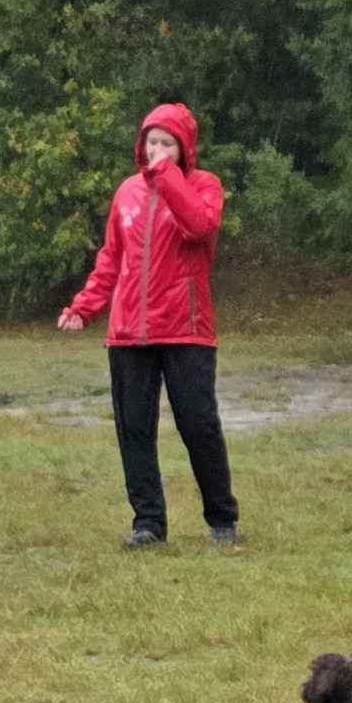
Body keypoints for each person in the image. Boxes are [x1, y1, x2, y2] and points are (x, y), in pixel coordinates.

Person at [58, 102, 237, 549]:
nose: (156, 150)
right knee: (134, 429)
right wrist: (84, 307)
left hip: (186, 329)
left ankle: (222, 519)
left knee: (198, 425)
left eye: (167, 143)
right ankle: (148, 524)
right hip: (128, 334)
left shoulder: (205, 186)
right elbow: (112, 260)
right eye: (151, 142)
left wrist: (168, 178)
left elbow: (199, 226)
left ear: (184, 149)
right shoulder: (126, 194)